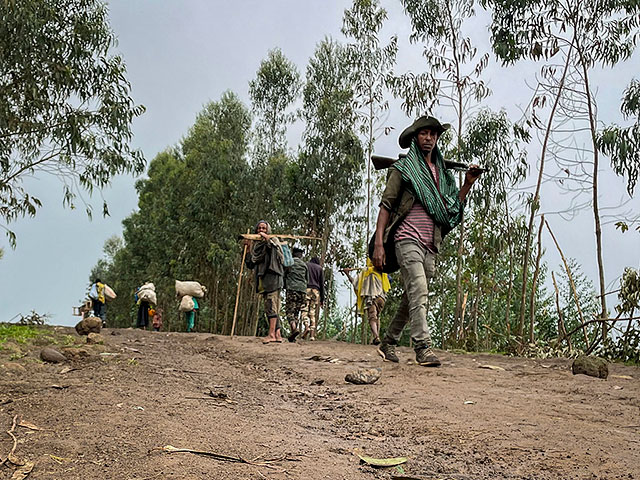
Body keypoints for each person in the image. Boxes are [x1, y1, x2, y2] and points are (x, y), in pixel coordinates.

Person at [372, 115, 482, 366]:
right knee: (419, 291)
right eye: (423, 134)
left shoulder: (443, 174)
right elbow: (386, 206)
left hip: (430, 243)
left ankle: (388, 341)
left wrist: (467, 184)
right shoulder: (403, 170)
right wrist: (379, 243)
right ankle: (422, 347)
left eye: (433, 134)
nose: (429, 138)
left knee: (412, 296)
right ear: (415, 138)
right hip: (405, 238)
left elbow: (452, 209)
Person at [245, 220, 285, 344]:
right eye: (259, 228)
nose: (261, 230)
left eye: (264, 228)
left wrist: (268, 240)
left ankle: (272, 334)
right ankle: (277, 334)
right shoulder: (256, 246)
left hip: (273, 278)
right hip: (263, 279)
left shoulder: (273, 241)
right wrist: (247, 249)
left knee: (272, 305)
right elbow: (251, 263)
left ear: (268, 230)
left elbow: (275, 252)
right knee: (269, 306)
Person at [341, 259, 390, 345]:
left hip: (372, 297)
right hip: (382, 298)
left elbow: (355, 284)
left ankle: (376, 337)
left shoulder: (366, 272)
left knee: (372, 317)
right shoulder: (382, 272)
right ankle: (376, 337)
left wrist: (347, 274)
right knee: (377, 317)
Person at [283, 247, 309, 342]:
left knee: (289, 311)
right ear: (301, 255)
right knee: (297, 312)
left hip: (292, 289)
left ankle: (294, 329)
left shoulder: (289, 263)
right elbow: (307, 279)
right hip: (302, 290)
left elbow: (284, 275)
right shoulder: (304, 265)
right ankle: (293, 334)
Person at [301, 256, 324, 341]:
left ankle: (306, 327)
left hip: (306, 288)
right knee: (312, 311)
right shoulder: (320, 269)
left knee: (304, 309)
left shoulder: (306, 265)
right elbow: (322, 285)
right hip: (316, 290)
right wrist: (322, 299)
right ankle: (312, 335)